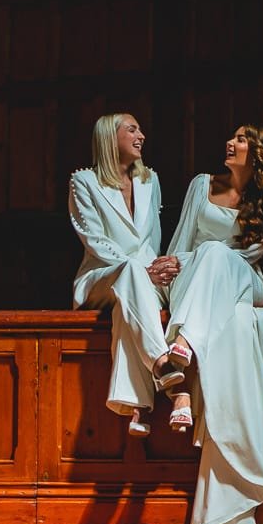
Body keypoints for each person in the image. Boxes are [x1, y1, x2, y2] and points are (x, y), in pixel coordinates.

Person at [161, 125, 263, 524]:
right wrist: (177, 272)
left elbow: (250, 255)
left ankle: (182, 349)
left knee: (219, 254)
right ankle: (189, 345)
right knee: (215, 265)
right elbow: (181, 240)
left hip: (241, 280)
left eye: (239, 139)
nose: (229, 142)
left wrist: (206, 257)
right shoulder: (202, 185)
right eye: (230, 135)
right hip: (191, 278)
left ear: (258, 153)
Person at [68, 113, 184, 438]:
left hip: (139, 281)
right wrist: (141, 270)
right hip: (101, 276)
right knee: (131, 273)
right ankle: (162, 363)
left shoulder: (151, 181)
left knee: (129, 302)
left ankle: (139, 405)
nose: (141, 135)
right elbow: (94, 239)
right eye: (132, 129)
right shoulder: (84, 182)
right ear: (110, 137)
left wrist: (153, 270)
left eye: (140, 129)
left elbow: (153, 238)